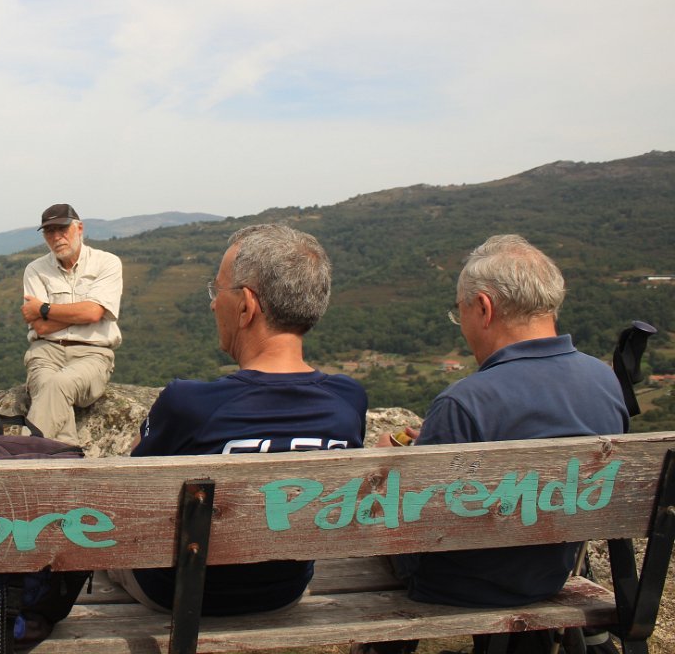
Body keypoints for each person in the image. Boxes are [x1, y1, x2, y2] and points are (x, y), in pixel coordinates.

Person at [364, 234, 630, 654]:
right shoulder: (604, 382)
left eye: (461, 312)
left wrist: (388, 466)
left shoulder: (465, 402)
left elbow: (419, 526)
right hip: (552, 573)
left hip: (457, 584)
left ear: (484, 308)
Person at [121, 224, 367, 615]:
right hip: (283, 591)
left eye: (217, 290)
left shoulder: (189, 404)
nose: (212, 304)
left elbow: (132, 494)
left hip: (176, 592)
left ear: (246, 305)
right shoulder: (348, 401)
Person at [20, 203, 123, 445]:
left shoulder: (107, 263)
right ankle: (68, 455)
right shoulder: (35, 270)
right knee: (48, 385)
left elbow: (94, 313)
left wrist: (44, 309)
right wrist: (81, 313)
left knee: (58, 384)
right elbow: (41, 327)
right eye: (49, 231)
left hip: (93, 354)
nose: (57, 237)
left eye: (62, 229)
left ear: (79, 228)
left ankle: (22, 454)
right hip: (45, 352)